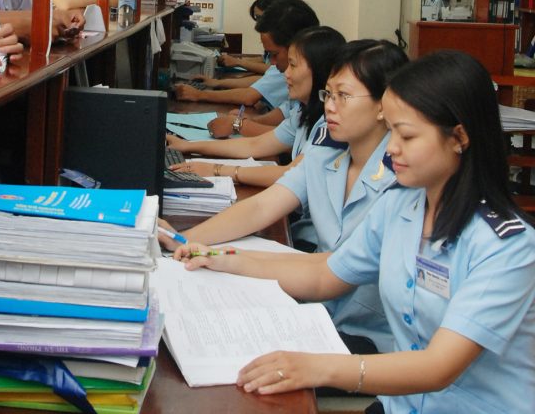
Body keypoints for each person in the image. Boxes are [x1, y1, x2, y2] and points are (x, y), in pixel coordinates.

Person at [185, 51, 535, 414]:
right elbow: (326, 275)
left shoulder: (507, 246)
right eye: (392, 132)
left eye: (407, 135)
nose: (392, 148)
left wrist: (317, 367)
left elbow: (439, 367)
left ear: (458, 137)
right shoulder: (401, 205)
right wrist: (223, 258)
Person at [165, 39, 410, 353]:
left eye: (344, 96)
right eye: (328, 94)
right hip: (316, 308)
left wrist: (223, 258)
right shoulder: (325, 151)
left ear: (384, 105)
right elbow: (262, 206)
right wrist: (185, 239)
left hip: (369, 334)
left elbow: (332, 270)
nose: (330, 106)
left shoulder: (403, 175)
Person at [166, 25, 346, 189]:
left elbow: (292, 174)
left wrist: (216, 170)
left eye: (293, 65)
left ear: (319, 70)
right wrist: (188, 146)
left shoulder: (330, 124)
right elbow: (255, 144)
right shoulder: (303, 112)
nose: (286, 73)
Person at [175, 0, 319, 129]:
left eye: (274, 54)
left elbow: (251, 96)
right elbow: (266, 87)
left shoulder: (317, 105)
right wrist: (246, 121)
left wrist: (237, 124)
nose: (272, 63)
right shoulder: (298, 95)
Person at [215, 0, 282, 76]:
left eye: (260, 18)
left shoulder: (284, 38)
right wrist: (237, 60)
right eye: (257, 18)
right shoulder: (271, 36)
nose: (258, 23)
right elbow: (265, 59)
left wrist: (238, 62)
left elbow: (275, 70)